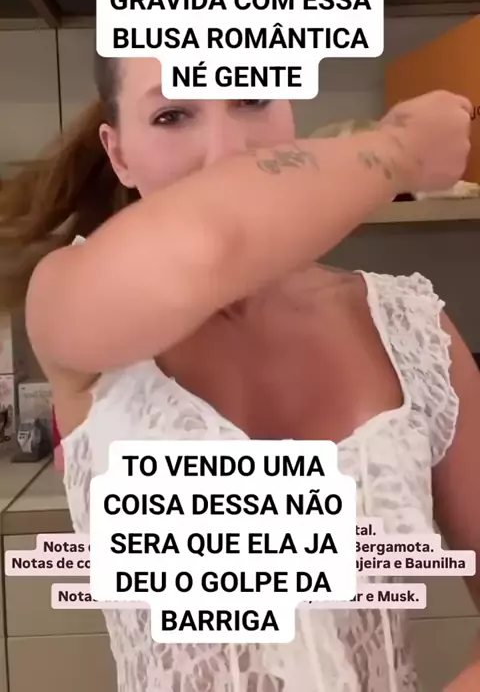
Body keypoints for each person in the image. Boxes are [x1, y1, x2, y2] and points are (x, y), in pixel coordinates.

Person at [1, 55, 479, 692]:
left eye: (252, 98)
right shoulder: (70, 298)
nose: (227, 152)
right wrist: (398, 148)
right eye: (172, 115)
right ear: (118, 155)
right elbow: (208, 242)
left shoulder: (413, 330)